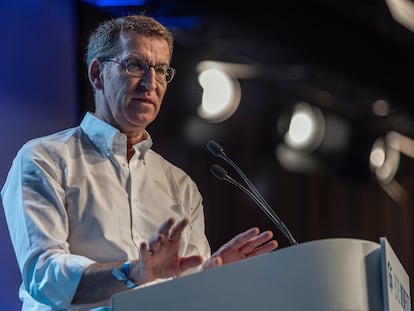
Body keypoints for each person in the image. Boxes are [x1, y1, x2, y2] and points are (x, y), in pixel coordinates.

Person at [1, 14, 279, 311]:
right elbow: (44, 277)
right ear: (97, 74)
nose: (150, 83)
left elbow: (184, 291)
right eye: (135, 65)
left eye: (161, 70)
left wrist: (206, 279)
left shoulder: (180, 185)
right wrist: (133, 273)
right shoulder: (44, 159)